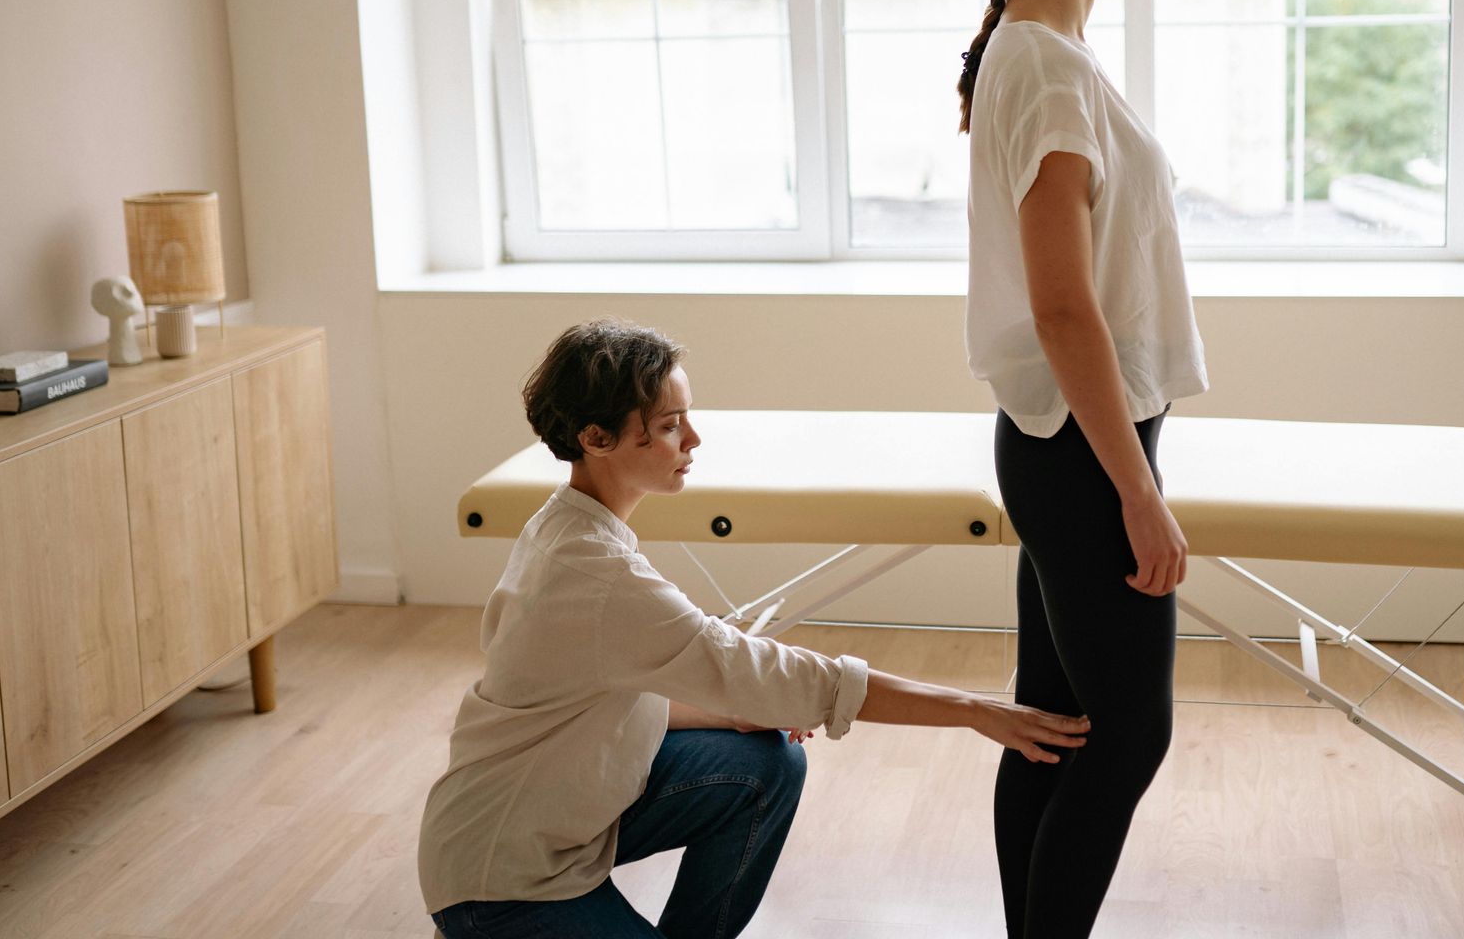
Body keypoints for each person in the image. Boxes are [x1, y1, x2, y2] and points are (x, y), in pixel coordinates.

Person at [419, 319, 1090, 938]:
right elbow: (783, 675)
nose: (695, 440)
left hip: (557, 820)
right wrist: (975, 710)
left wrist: (732, 713)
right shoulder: (596, 577)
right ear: (597, 439)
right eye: (671, 424)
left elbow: (593, 696)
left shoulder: (568, 526)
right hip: (502, 883)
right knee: (761, 722)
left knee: (762, 763)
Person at [958, 0, 1209, 937]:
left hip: (1061, 440)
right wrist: (1140, 493)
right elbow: (1064, 309)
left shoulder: (1034, 51)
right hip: (1081, 446)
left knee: (1053, 719)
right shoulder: (1049, 72)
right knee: (1124, 734)